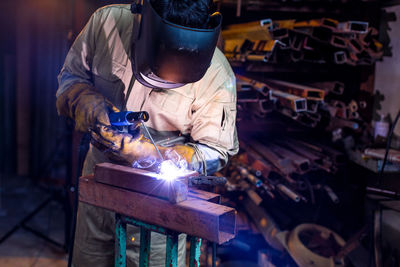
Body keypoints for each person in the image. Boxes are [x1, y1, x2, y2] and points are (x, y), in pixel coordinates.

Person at [56, 0, 238, 266]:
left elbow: (217, 151)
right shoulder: (107, 23)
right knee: (89, 259)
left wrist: (151, 153)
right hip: (99, 177)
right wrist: (87, 103)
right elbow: (70, 79)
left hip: (161, 202)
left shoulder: (217, 75)